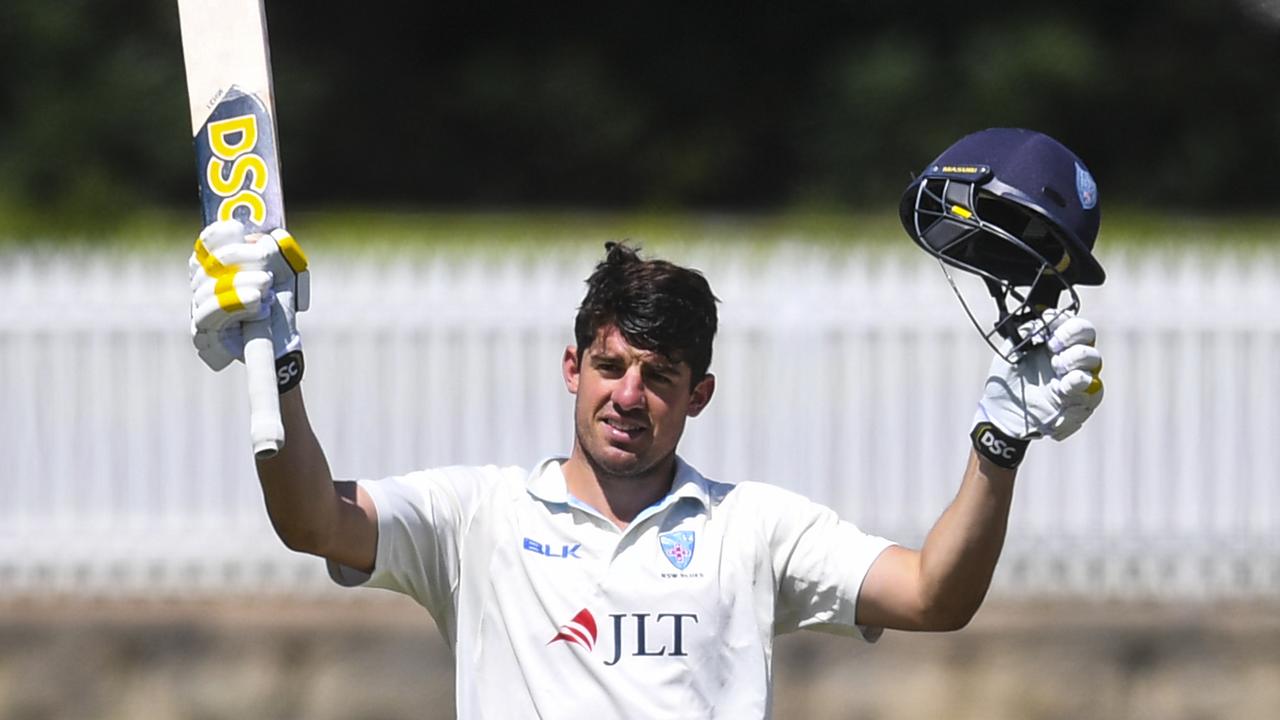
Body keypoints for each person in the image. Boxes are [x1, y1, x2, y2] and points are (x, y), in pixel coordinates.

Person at [187, 138, 1104, 720]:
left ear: (698, 395)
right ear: (571, 369)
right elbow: (311, 521)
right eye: (613, 367)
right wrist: (279, 366)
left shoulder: (755, 528)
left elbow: (935, 599)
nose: (630, 396)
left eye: (659, 378)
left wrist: (998, 446)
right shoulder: (480, 516)